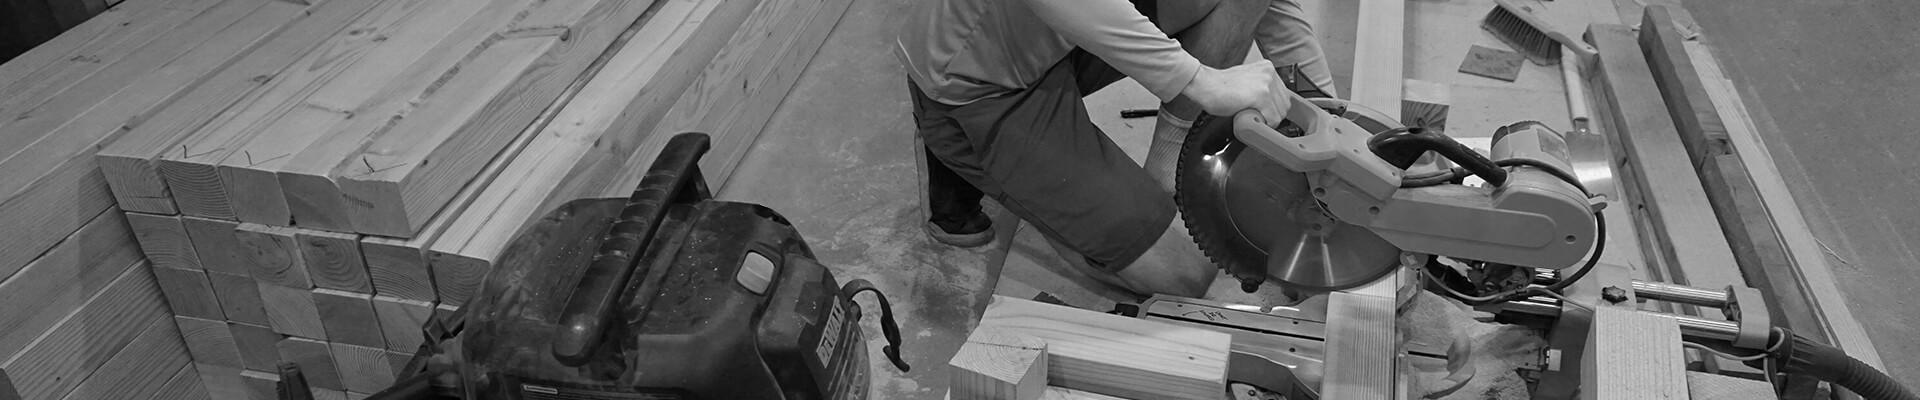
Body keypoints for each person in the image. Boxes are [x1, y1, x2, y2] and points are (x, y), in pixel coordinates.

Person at [898, 0, 1338, 297]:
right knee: (1184, 274)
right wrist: (1201, 80)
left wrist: (1330, 124)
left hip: (1066, 30)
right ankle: (949, 142)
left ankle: (1166, 173)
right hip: (984, 81)